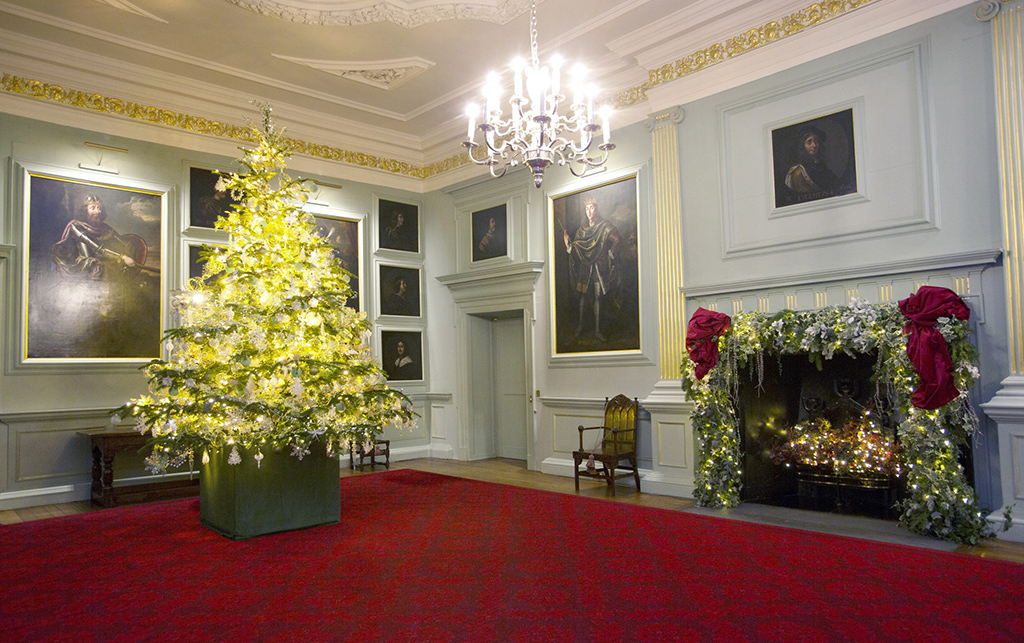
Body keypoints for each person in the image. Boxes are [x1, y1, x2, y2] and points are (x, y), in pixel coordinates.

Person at [563, 197, 621, 341]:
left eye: (592, 208)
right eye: (587, 209)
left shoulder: (604, 226)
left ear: (597, 209)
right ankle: (581, 327)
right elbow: (576, 250)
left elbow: (617, 239)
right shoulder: (582, 231)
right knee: (583, 297)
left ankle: (597, 330)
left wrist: (610, 254)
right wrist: (568, 246)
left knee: (598, 297)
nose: (589, 211)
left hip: (599, 266)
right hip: (585, 267)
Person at [51, 193, 145, 280]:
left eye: (99, 208)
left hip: (102, 263)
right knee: (98, 266)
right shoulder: (76, 226)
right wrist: (122, 257)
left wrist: (129, 250)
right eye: (93, 208)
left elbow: (122, 242)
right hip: (80, 266)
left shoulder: (106, 228)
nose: (98, 211)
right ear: (85, 211)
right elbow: (98, 249)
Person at [784, 126, 842, 197]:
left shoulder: (822, 167)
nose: (814, 145)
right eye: (809, 142)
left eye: (816, 141)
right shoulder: (799, 172)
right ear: (802, 146)